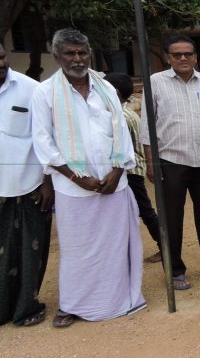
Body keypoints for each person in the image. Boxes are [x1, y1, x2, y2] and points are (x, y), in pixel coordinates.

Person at [31, 29, 145, 327]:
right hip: (73, 189)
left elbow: (120, 132)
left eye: (82, 52)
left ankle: (116, 299)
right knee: (76, 250)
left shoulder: (105, 87)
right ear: (57, 57)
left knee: (113, 247)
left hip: (113, 184)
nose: (78, 59)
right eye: (70, 53)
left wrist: (117, 170)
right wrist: (75, 177)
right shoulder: (44, 93)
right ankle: (71, 304)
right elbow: (43, 141)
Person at [140, 34, 200, 291]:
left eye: (188, 54)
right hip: (170, 161)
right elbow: (146, 125)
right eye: (177, 54)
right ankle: (174, 269)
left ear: (196, 57)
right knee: (171, 218)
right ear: (168, 57)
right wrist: (151, 162)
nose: (183, 58)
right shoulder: (155, 82)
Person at [0, 42, 52, 327]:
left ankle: (26, 308)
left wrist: (47, 182)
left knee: (31, 250)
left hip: (30, 184)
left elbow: (45, 137)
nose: (0, 62)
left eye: (2, 56)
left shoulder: (31, 89)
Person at [104, 73, 162, 263]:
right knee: (142, 210)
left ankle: (165, 245)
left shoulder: (120, 117)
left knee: (144, 210)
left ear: (115, 92)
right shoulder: (127, 112)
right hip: (132, 170)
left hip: (129, 172)